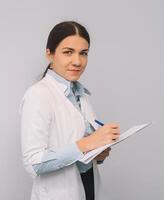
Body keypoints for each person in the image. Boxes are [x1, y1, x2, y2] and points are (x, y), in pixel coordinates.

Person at [19, 21, 120, 200]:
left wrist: (98, 152)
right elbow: (34, 163)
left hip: (88, 187)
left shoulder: (81, 95)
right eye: (68, 52)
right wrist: (86, 144)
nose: (77, 61)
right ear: (49, 54)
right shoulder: (38, 95)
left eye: (84, 53)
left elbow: (78, 149)